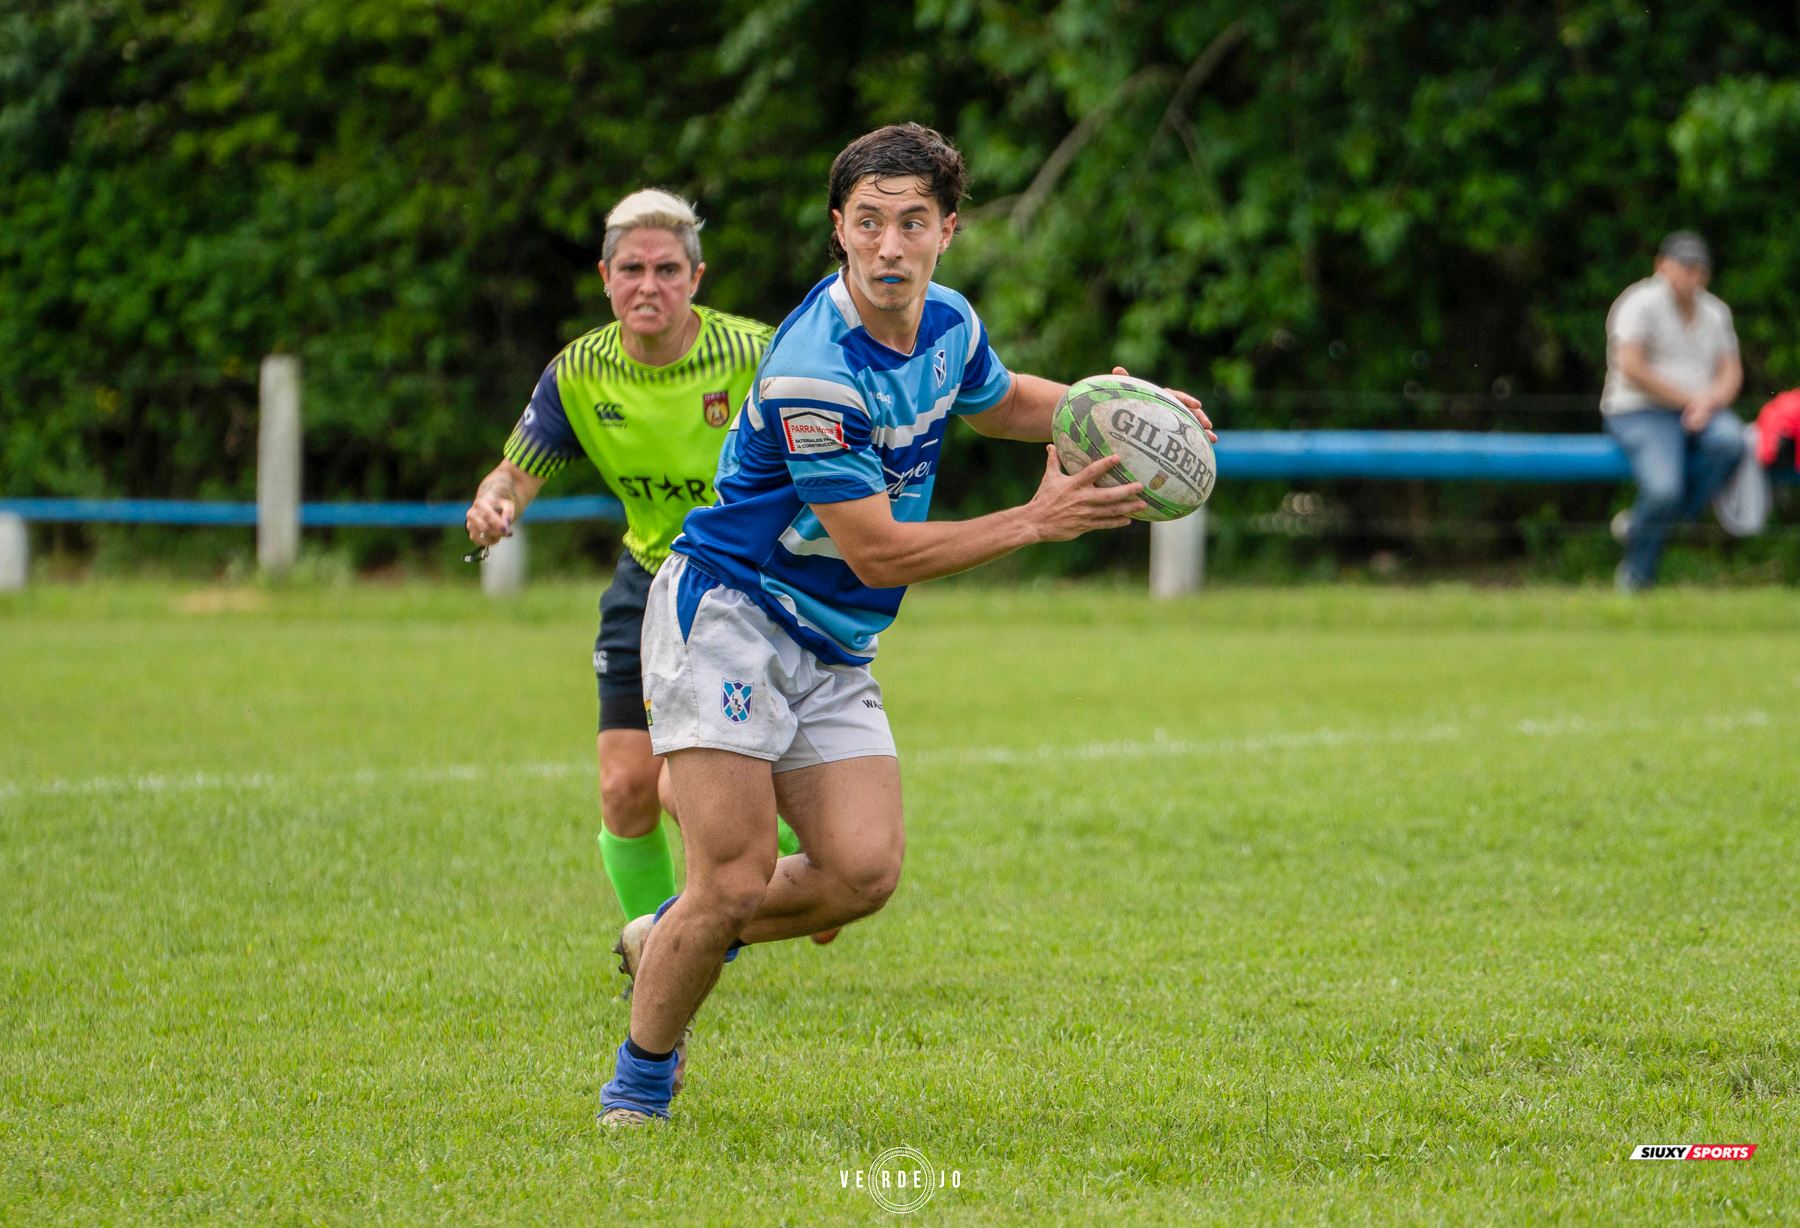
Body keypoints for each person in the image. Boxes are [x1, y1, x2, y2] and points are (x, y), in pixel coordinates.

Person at [596, 123, 1215, 1126]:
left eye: (913, 223)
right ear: (840, 229)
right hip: (730, 616)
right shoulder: (814, 370)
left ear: (947, 231)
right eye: (871, 222)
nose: (891, 245)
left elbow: (1001, 401)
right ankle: (641, 1077)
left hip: (834, 638)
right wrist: (1033, 520)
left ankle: (667, 934)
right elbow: (877, 550)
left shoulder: (949, 323)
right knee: (739, 872)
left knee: (860, 873)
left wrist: (1115, 409)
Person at [463, 189, 815, 949]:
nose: (647, 285)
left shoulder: (760, 353)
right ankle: (667, 946)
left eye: (665, 269)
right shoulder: (579, 372)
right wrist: (494, 503)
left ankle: (794, 873)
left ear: (696, 276)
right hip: (647, 583)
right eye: (631, 270)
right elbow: (515, 473)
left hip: (752, 586)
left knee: (681, 789)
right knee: (627, 789)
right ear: (604, 277)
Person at [1600, 231, 1744, 591]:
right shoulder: (1637, 302)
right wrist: (1689, 401)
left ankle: (1644, 523)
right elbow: (1630, 366)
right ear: (1661, 265)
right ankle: (1636, 578)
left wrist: (1708, 402)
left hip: (1701, 411)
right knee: (1663, 489)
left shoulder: (1716, 311)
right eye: (1683, 265)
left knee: (1731, 442)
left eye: (1698, 267)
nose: (1690, 274)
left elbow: (1731, 371)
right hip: (1639, 410)